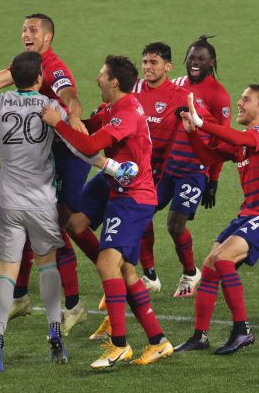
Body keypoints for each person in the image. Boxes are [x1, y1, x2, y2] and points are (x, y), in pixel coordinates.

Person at [0, 14, 94, 332]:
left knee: (62, 224)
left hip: (65, 156)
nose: (25, 33)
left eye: (32, 30)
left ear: (48, 36)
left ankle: (81, 299)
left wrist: (72, 118)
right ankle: (20, 297)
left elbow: (72, 97)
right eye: (23, 29)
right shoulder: (28, 65)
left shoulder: (53, 66)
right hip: (43, 157)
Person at [41, 55, 173, 368]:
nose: (97, 78)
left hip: (133, 196)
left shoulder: (126, 112)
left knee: (109, 262)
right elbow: (87, 128)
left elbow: (91, 146)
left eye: (102, 74)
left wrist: (57, 123)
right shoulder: (114, 107)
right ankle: (158, 341)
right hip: (112, 182)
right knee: (75, 223)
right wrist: (58, 124)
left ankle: (119, 345)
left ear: (114, 81)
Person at [174, 84, 259, 355]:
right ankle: (200, 336)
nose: (239, 103)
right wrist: (193, 134)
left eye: (246, 99)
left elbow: (238, 141)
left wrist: (202, 123)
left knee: (223, 259)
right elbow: (208, 157)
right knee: (210, 264)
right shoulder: (247, 139)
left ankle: (242, 331)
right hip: (250, 213)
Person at [131, 42, 217, 298]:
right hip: (160, 170)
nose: (148, 67)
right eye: (145, 62)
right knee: (141, 213)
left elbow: (207, 125)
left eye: (153, 62)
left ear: (167, 67)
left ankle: (190, 272)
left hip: (189, 169)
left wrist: (212, 175)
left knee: (175, 226)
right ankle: (149, 274)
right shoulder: (135, 89)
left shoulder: (181, 96)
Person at [172, 35, 232, 209]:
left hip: (194, 168)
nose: (194, 63)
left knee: (175, 225)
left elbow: (222, 139)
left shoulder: (218, 95)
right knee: (144, 212)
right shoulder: (176, 84)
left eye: (201, 59)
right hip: (168, 166)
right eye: (191, 58)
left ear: (211, 62)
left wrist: (213, 180)